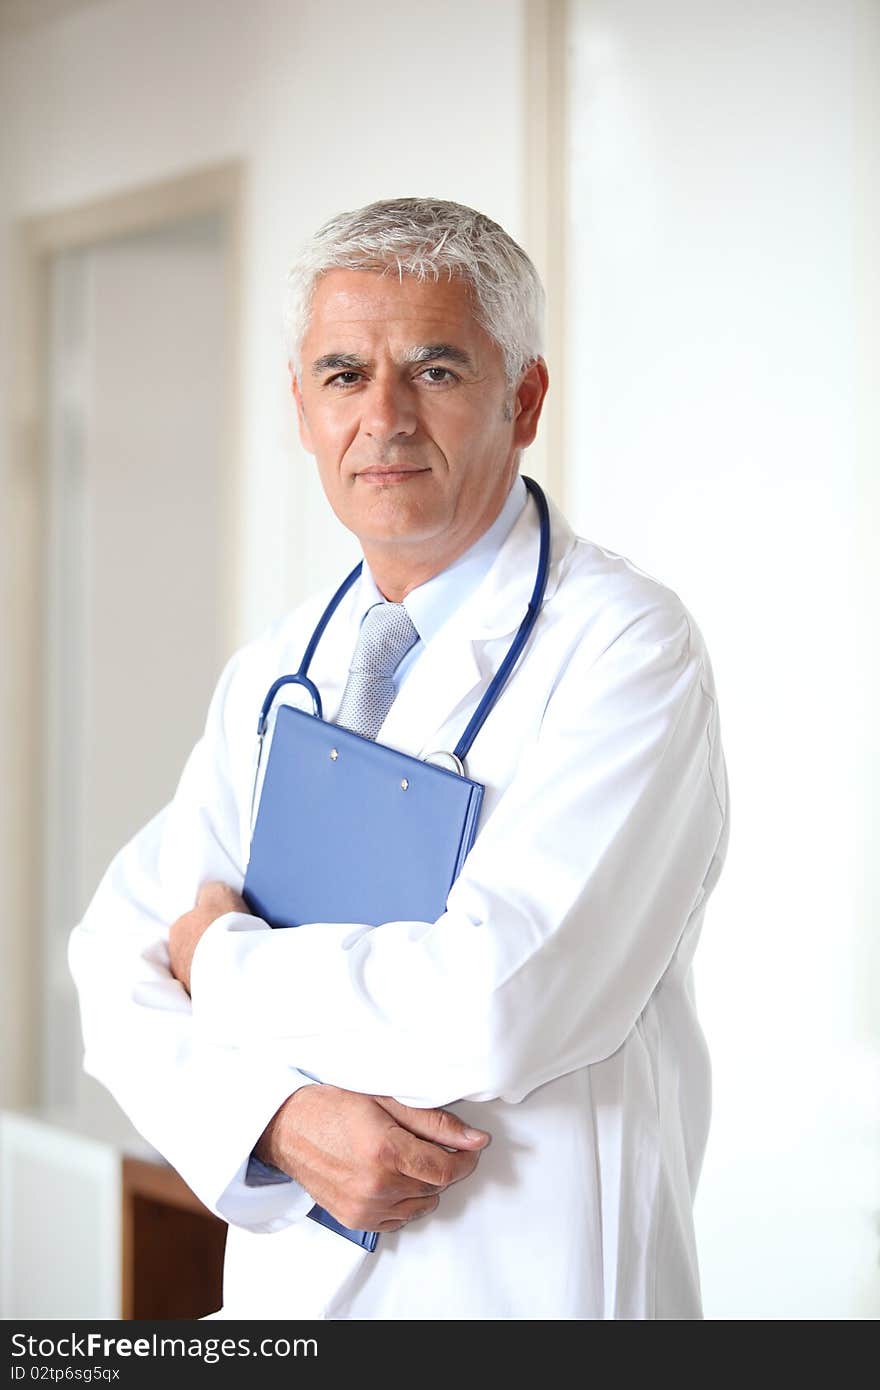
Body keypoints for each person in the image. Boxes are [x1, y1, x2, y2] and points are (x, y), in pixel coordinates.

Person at [68, 197, 730, 1321]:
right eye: (341, 375)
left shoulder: (626, 648)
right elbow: (113, 966)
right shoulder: (278, 669)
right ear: (300, 406)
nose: (382, 417)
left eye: (434, 370)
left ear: (522, 401)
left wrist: (222, 963)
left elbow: (494, 1004)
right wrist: (274, 1121)